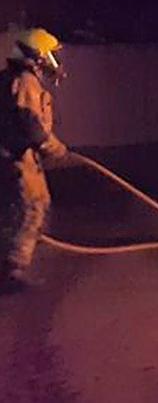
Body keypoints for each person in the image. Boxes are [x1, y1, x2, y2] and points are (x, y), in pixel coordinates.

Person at [0, 28, 69, 291]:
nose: (54, 61)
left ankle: (11, 265)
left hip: (11, 157)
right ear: (38, 56)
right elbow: (31, 126)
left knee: (17, 209)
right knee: (33, 206)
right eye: (50, 55)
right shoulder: (26, 82)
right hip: (18, 158)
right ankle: (12, 271)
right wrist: (56, 148)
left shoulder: (9, 78)